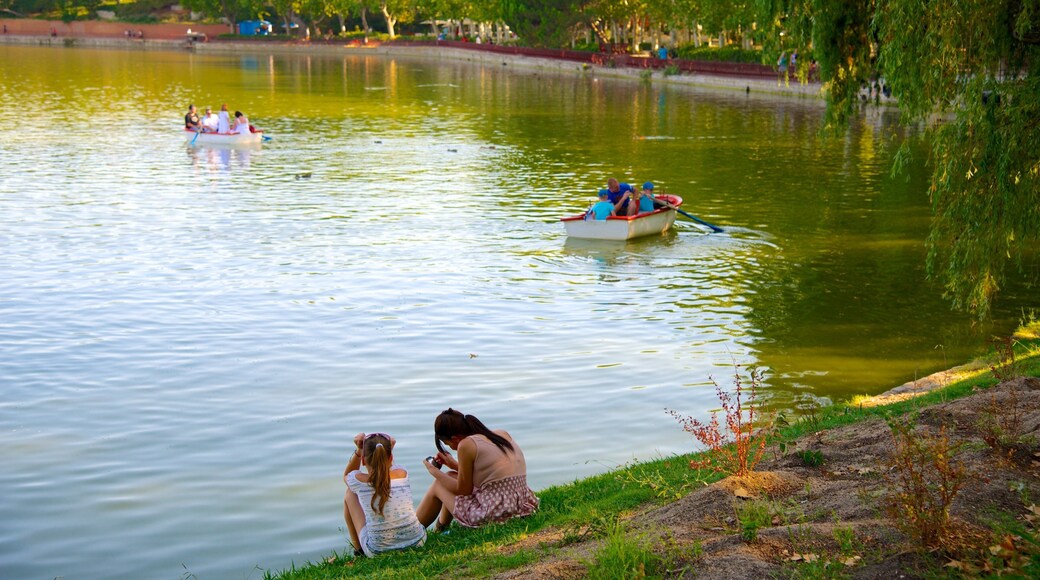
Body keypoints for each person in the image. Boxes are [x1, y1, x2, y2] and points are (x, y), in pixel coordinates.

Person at [416, 409, 538, 531]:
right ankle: (442, 529)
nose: (453, 449)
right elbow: (489, 475)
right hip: (521, 505)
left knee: (439, 484)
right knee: (451, 475)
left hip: (495, 512)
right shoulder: (501, 434)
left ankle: (412, 533)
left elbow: (464, 490)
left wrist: (434, 472)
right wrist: (454, 465)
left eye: (449, 445)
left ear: (455, 438)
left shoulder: (466, 444)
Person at [343, 432, 426, 557]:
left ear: (363, 461)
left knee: (350, 493)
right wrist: (388, 448)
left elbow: (347, 475)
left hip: (378, 551)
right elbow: (386, 468)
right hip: (417, 541)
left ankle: (359, 551)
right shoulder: (402, 473)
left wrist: (359, 450)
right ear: (391, 458)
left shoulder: (358, 481)